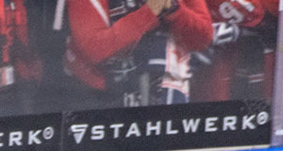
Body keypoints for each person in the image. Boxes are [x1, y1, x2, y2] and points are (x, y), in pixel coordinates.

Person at [63, 0, 211, 108]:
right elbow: (95, 48)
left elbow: (203, 38)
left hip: (153, 82)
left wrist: (174, 9)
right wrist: (150, 12)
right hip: (92, 91)